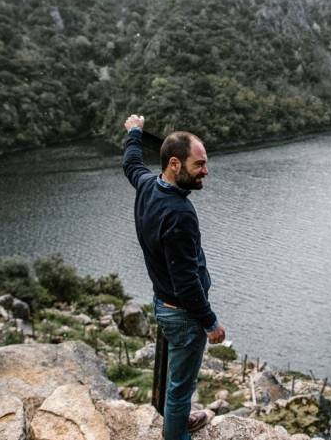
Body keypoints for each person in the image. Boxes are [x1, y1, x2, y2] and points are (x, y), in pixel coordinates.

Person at [122, 114, 225, 440]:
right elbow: (186, 282)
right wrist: (209, 322)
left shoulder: (148, 185)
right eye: (200, 164)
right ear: (175, 165)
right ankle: (176, 434)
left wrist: (134, 133)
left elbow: (131, 164)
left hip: (162, 301)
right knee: (181, 386)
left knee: (174, 378)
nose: (206, 171)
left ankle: (176, 419)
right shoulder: (179, 215)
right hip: (182, 313)